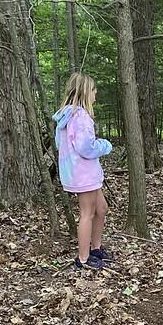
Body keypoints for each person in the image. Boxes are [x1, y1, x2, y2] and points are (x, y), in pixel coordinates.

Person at [53, 72, 113, 271]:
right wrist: (105, 145)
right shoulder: (80, 117)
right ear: (86, 92)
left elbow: (60, 144)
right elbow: (86, 147)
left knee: (101, 208)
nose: (96, 94)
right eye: (94, 90)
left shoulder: (67, 116)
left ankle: (95, 249)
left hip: (81, 173)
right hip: (83, 174)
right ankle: (83, 259)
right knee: (87, 213)